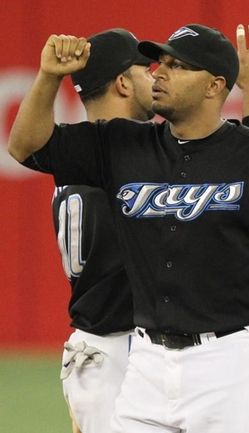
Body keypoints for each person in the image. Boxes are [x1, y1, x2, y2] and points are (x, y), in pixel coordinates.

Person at [8, 23, 249, 433]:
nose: (158, 72)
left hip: (233, 357)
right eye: (159, 62)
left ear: (214, 85)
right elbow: (26, 147)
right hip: (147, 359)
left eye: (177, 65)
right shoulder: (123, 146)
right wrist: (48, 77)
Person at [51, 28, 153, 433]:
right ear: (123, 83)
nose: (157, 78)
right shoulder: (134, 159)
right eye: (147, 69)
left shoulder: (66, 156)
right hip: (121, 347)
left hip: (92, 348)